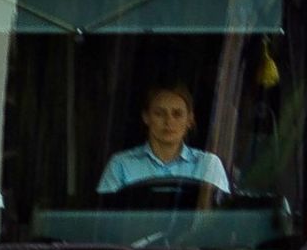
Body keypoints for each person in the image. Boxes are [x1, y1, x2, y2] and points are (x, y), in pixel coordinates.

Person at [97, 82, 229, 195]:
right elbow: (106, 217)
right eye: (159, 114)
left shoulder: (208, 165)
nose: (169, 121)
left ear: (190, 120)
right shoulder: (121, 164)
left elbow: (219, 218)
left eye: (177, 114)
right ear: (146, 117)